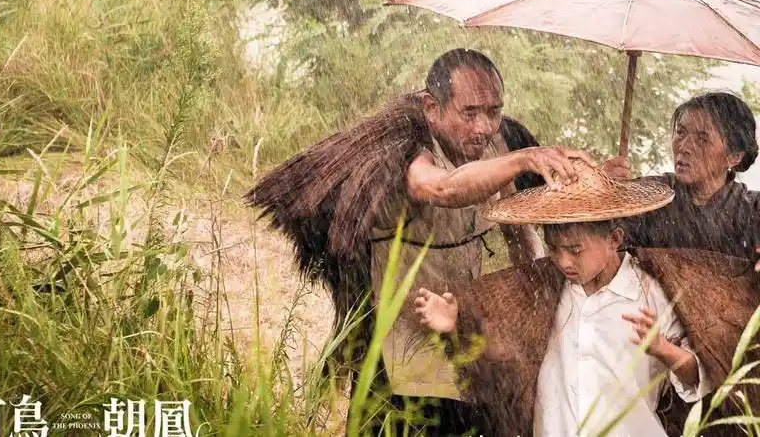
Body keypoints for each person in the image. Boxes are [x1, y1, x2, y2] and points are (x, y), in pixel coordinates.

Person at [245, 48, 594, 435]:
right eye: (470, 113)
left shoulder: (503, 142)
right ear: (432, 108)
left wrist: (530, 283)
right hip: (397, 335)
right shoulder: (406, 147)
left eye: (493, 111)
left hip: (457, 325)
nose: (484, 127)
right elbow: (441, 188)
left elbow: (525, 215)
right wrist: (524, 159)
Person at [412, 159, 757, 436]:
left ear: (614, 238)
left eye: (575, 250)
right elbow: (507, 356)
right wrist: (456, 324)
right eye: (554, 248)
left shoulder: (652, 291)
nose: (563, 261)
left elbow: (700, 376)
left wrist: (663, 350)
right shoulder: (542, 290)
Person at [604, 91, 760, 270]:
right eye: (680, 132)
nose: (683, 147)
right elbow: (600, 247)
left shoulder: (753, 212)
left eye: (702, 139)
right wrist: (605, 194)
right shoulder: (648, 196)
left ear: (734, 157)